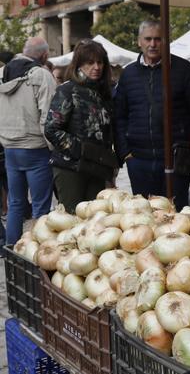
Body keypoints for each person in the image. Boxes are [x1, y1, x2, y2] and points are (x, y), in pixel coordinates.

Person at [115, 20, 190, 211]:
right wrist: (126, 153)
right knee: (143, 216)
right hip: (139, 160)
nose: (153, 44)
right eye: (148, 39)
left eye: (158, 39)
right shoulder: (128, 74)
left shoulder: (183, 69)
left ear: (166, 41)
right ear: (139, 41)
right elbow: (119, 116)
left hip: (175, 160)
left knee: (176, 215)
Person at [45, 40, 116, 213]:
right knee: (72, 219)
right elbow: (51, 129)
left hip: (98, 167)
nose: (96, 67)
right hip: (70, 168)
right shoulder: (68, 90)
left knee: (96, 219)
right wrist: (80, 150)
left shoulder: (105, 93)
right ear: (79, 65)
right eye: (90, 62)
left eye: (100, 62)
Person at [0, 37, 57, 245]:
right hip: (35, 148)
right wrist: (53, 146)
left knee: (15, 202)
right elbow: (49, 117)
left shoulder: (1, 74)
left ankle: (11, 246)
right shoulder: (42, 75)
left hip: (10, 148)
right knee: (40, 206)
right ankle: (37, 252)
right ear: (45, 55)